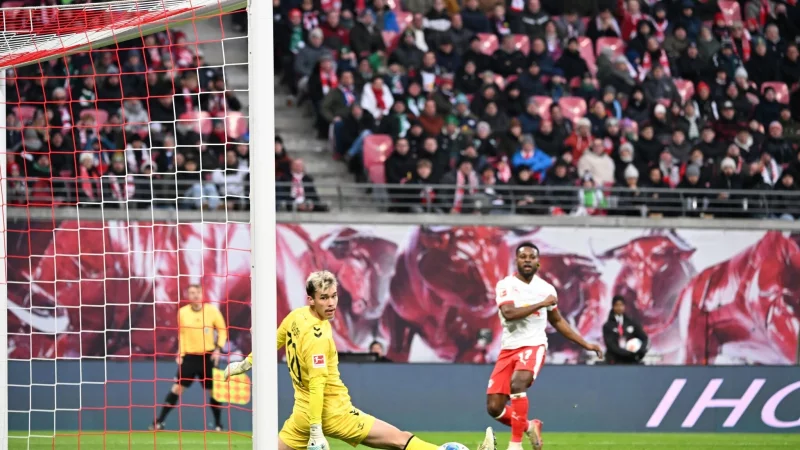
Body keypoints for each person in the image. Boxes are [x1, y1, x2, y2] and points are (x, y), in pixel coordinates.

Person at [225, 271, 497, 450]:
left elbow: (274, 341)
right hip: (332, 413)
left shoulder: (296, 316)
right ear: (310, 299)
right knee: (400, 441)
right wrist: (318, 431)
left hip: (302, 412)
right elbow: (318, 384)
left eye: (333, 296)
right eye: (324, 298)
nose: (331, 303)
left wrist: (246, 363)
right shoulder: (318, 335)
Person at [486, 243, 604, 450]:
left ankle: (515, 445)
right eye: (523, 257)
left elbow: (557, 321)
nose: (527, 260)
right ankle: (530, 426)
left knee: (518, 384)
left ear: (538, 262)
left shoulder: (546, 289)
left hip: (533, 345)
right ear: (516, 261)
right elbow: (509, 313)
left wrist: (584, 343)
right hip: (508, 349)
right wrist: (541, 304)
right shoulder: (505, 285)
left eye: (532, 257)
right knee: (494, 408)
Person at [151, 284, 227, 431]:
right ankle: (159, 422)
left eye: (198, 292)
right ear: (188, 295)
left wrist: (218, 349)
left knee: (214, 391)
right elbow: (182, 334)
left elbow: (222, 331)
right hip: (190, 358)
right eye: (192, 293)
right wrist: (180, 352)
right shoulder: (182, 312)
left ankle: (218, 425)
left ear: (202, 294)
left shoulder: (212, 311)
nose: (195, 295)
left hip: (208, 357)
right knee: (177, 388)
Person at [602, 295, 649, 364]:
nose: (619, 307)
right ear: (613, 306)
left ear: (624, 306)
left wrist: (639, 350)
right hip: (614, 362)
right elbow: (611, 345)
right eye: (617, 305)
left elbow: (644, 338)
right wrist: (626, 353)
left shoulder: (632, 322)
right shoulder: (607, 326)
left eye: (621, 305)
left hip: (631, 361)